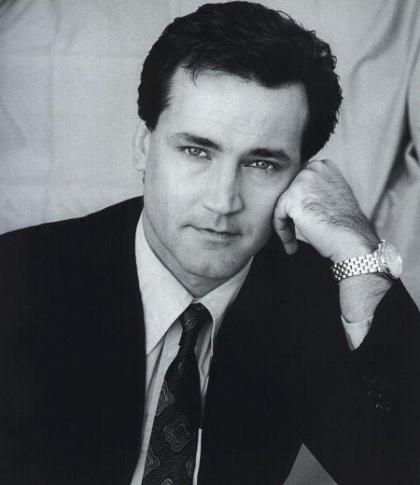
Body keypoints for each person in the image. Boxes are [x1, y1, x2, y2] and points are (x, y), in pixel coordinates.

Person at [0, 2, 419, 484]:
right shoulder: (21, 276)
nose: (223, 201)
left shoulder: (313, 300)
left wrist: (360, 251)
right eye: (196, 151)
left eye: (262, 164)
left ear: (302, 176)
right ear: (143, 147)